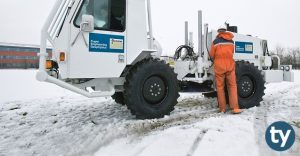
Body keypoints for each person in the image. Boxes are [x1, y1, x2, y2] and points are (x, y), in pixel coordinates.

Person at [209, 25, 242, 114]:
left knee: (220, 88)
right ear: (225, 31)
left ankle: (222, 109)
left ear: (219, 32)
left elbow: (212, 55)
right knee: (232, 86)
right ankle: (235, 108)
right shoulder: (231, 41)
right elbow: (232, 52)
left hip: (219, 67)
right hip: (230, 66)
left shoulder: (215, 42)